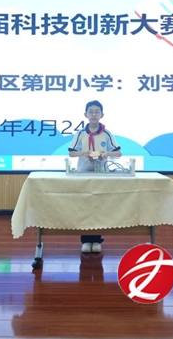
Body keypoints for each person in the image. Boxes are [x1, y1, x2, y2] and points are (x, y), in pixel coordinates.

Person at [68, 100, 122, 253]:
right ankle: (85, 240)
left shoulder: (106, 133)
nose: (93, 114)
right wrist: (83, 153)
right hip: (83, 174)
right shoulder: (80, 133)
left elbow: (118, 153)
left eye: (97, 112)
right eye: (90, 112)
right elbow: (71, 153)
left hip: (101, 175)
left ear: (102, 115)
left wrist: (107, 154)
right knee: (85, 206)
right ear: (85, 114)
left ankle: (97, 240)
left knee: (99, 206)